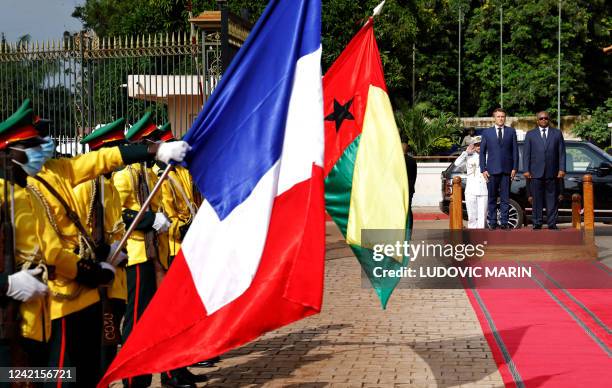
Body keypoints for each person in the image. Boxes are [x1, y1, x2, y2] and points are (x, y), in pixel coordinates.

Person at [115, 113, 199, 388]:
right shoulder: (124, 176)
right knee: (137, 322)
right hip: (140, 256)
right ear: (142, 143)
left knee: (165, 317)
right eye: (153, 142)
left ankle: (167, 371)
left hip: (158, 254)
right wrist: (153, 221)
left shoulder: (151, 176)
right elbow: (122, 214)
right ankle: (133, 379)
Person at [73, 118, 130, 375]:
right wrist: (105, 251)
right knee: (94, 355)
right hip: (94, 279)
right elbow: (78, 235)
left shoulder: (108, 187)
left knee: (109, 346)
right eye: (116, 150)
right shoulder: (86, 187)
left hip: (114, 277)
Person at [523, 111, 566, 229]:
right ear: (537, 121)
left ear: (549, 119)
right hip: (535, 173)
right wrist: (526, 170)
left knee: (552, 200)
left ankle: (552, 224)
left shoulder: (557, 133)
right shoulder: (530, 134)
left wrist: (562, 169)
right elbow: (526, 154)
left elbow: (561, 153)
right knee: (536, 200)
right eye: (541, 118)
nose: (543, 120)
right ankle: (537, 223)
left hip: (552, 173)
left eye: (546, 118)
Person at [479, 108, 518, 229]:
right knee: (492, 198)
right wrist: (483, 169)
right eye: (498, 116)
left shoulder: (511, 131)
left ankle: (505, 222)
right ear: (494, 118)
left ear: (505, 118)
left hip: (507, 171)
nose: (501, 118)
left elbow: (515, 151)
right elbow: (482, 152)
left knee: (505, 199)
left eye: (502, 116)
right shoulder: (487, 132)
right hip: (491, 171)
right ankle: (492, 222)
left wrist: (514, 168)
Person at [454, 136, 488, 228]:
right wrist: (465, 153)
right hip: (471, 190)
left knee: (482, 217)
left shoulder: (488, 156)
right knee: (472, 216)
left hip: (484, 190)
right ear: (473, 146)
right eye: (477, 145)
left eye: (481, 145)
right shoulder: (469, 156)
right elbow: (456, 163)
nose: (479, 147)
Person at [403, 144, 417, 233]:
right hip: (409, 188)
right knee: (408, 209)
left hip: (400, 189)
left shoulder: (397, 160)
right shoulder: (412, 160)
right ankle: (409, 230)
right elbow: (414, 176)